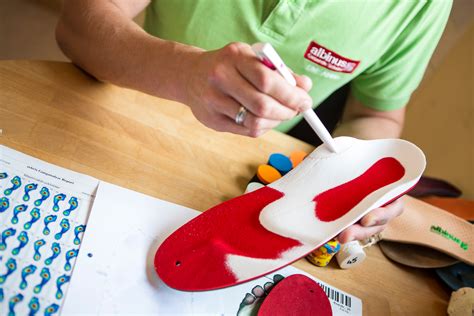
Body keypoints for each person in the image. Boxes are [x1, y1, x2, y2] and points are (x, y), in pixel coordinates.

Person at [55, 0, 451, 243]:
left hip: (231, 186)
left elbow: (375, 114)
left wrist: (363, 181)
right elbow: (77, 24)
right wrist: (184, 72)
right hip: (111, 125)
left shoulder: (422, 5)